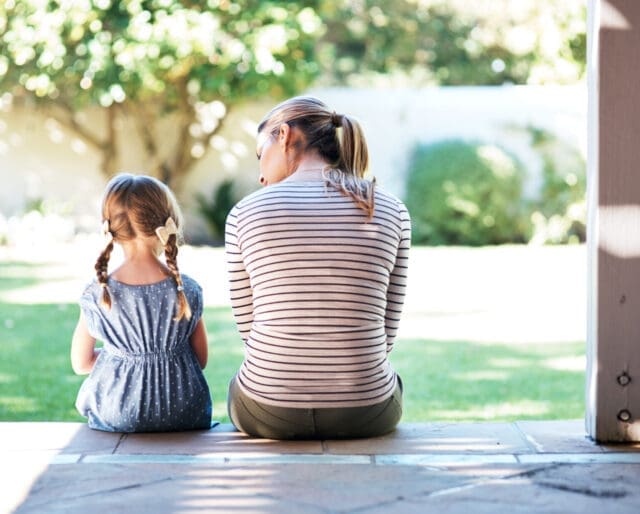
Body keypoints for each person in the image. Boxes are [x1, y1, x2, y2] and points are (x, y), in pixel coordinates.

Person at [225, 96, 411, 439]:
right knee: (391, 380)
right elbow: (386, 332)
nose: (260, 174)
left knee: (241, 385)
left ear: (283, 135)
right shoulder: (390, 209)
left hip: (267, 411)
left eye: (259, 155)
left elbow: (249, 332)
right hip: (366, 411)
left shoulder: (244, 213)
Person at [71, 173, 212, 432]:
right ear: (167, 223)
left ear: (110, 228)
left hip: (119, 413)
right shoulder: (187, 289)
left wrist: (121, 356)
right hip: (185, 411)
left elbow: (81, 363)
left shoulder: (98, 293)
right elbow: (200, 359)